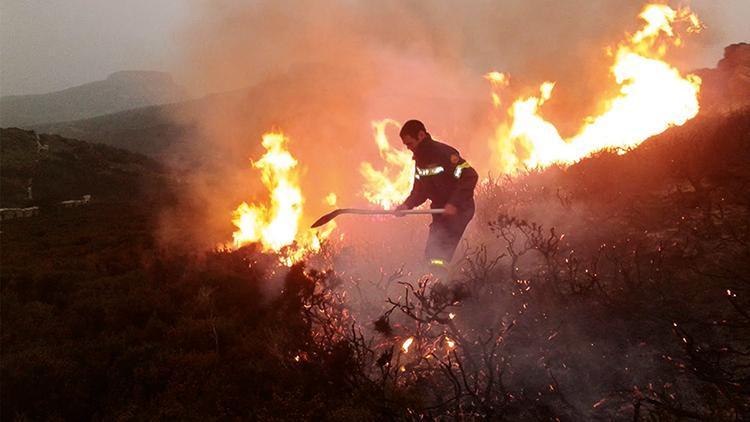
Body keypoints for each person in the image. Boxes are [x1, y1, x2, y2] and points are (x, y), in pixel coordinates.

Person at [395, 119, 478, 272]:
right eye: (406, 145)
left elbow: (469, 175)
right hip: (440, 213)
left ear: (421, 135)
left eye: (410, 144)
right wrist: (406, 205)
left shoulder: (445, 154)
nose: (408, 148)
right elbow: (420, 191)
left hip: (460, 210)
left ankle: (444, 287)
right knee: (431, 254)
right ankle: (436, 286)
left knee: (440, 255)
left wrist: (453, 203)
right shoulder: (420, 161)